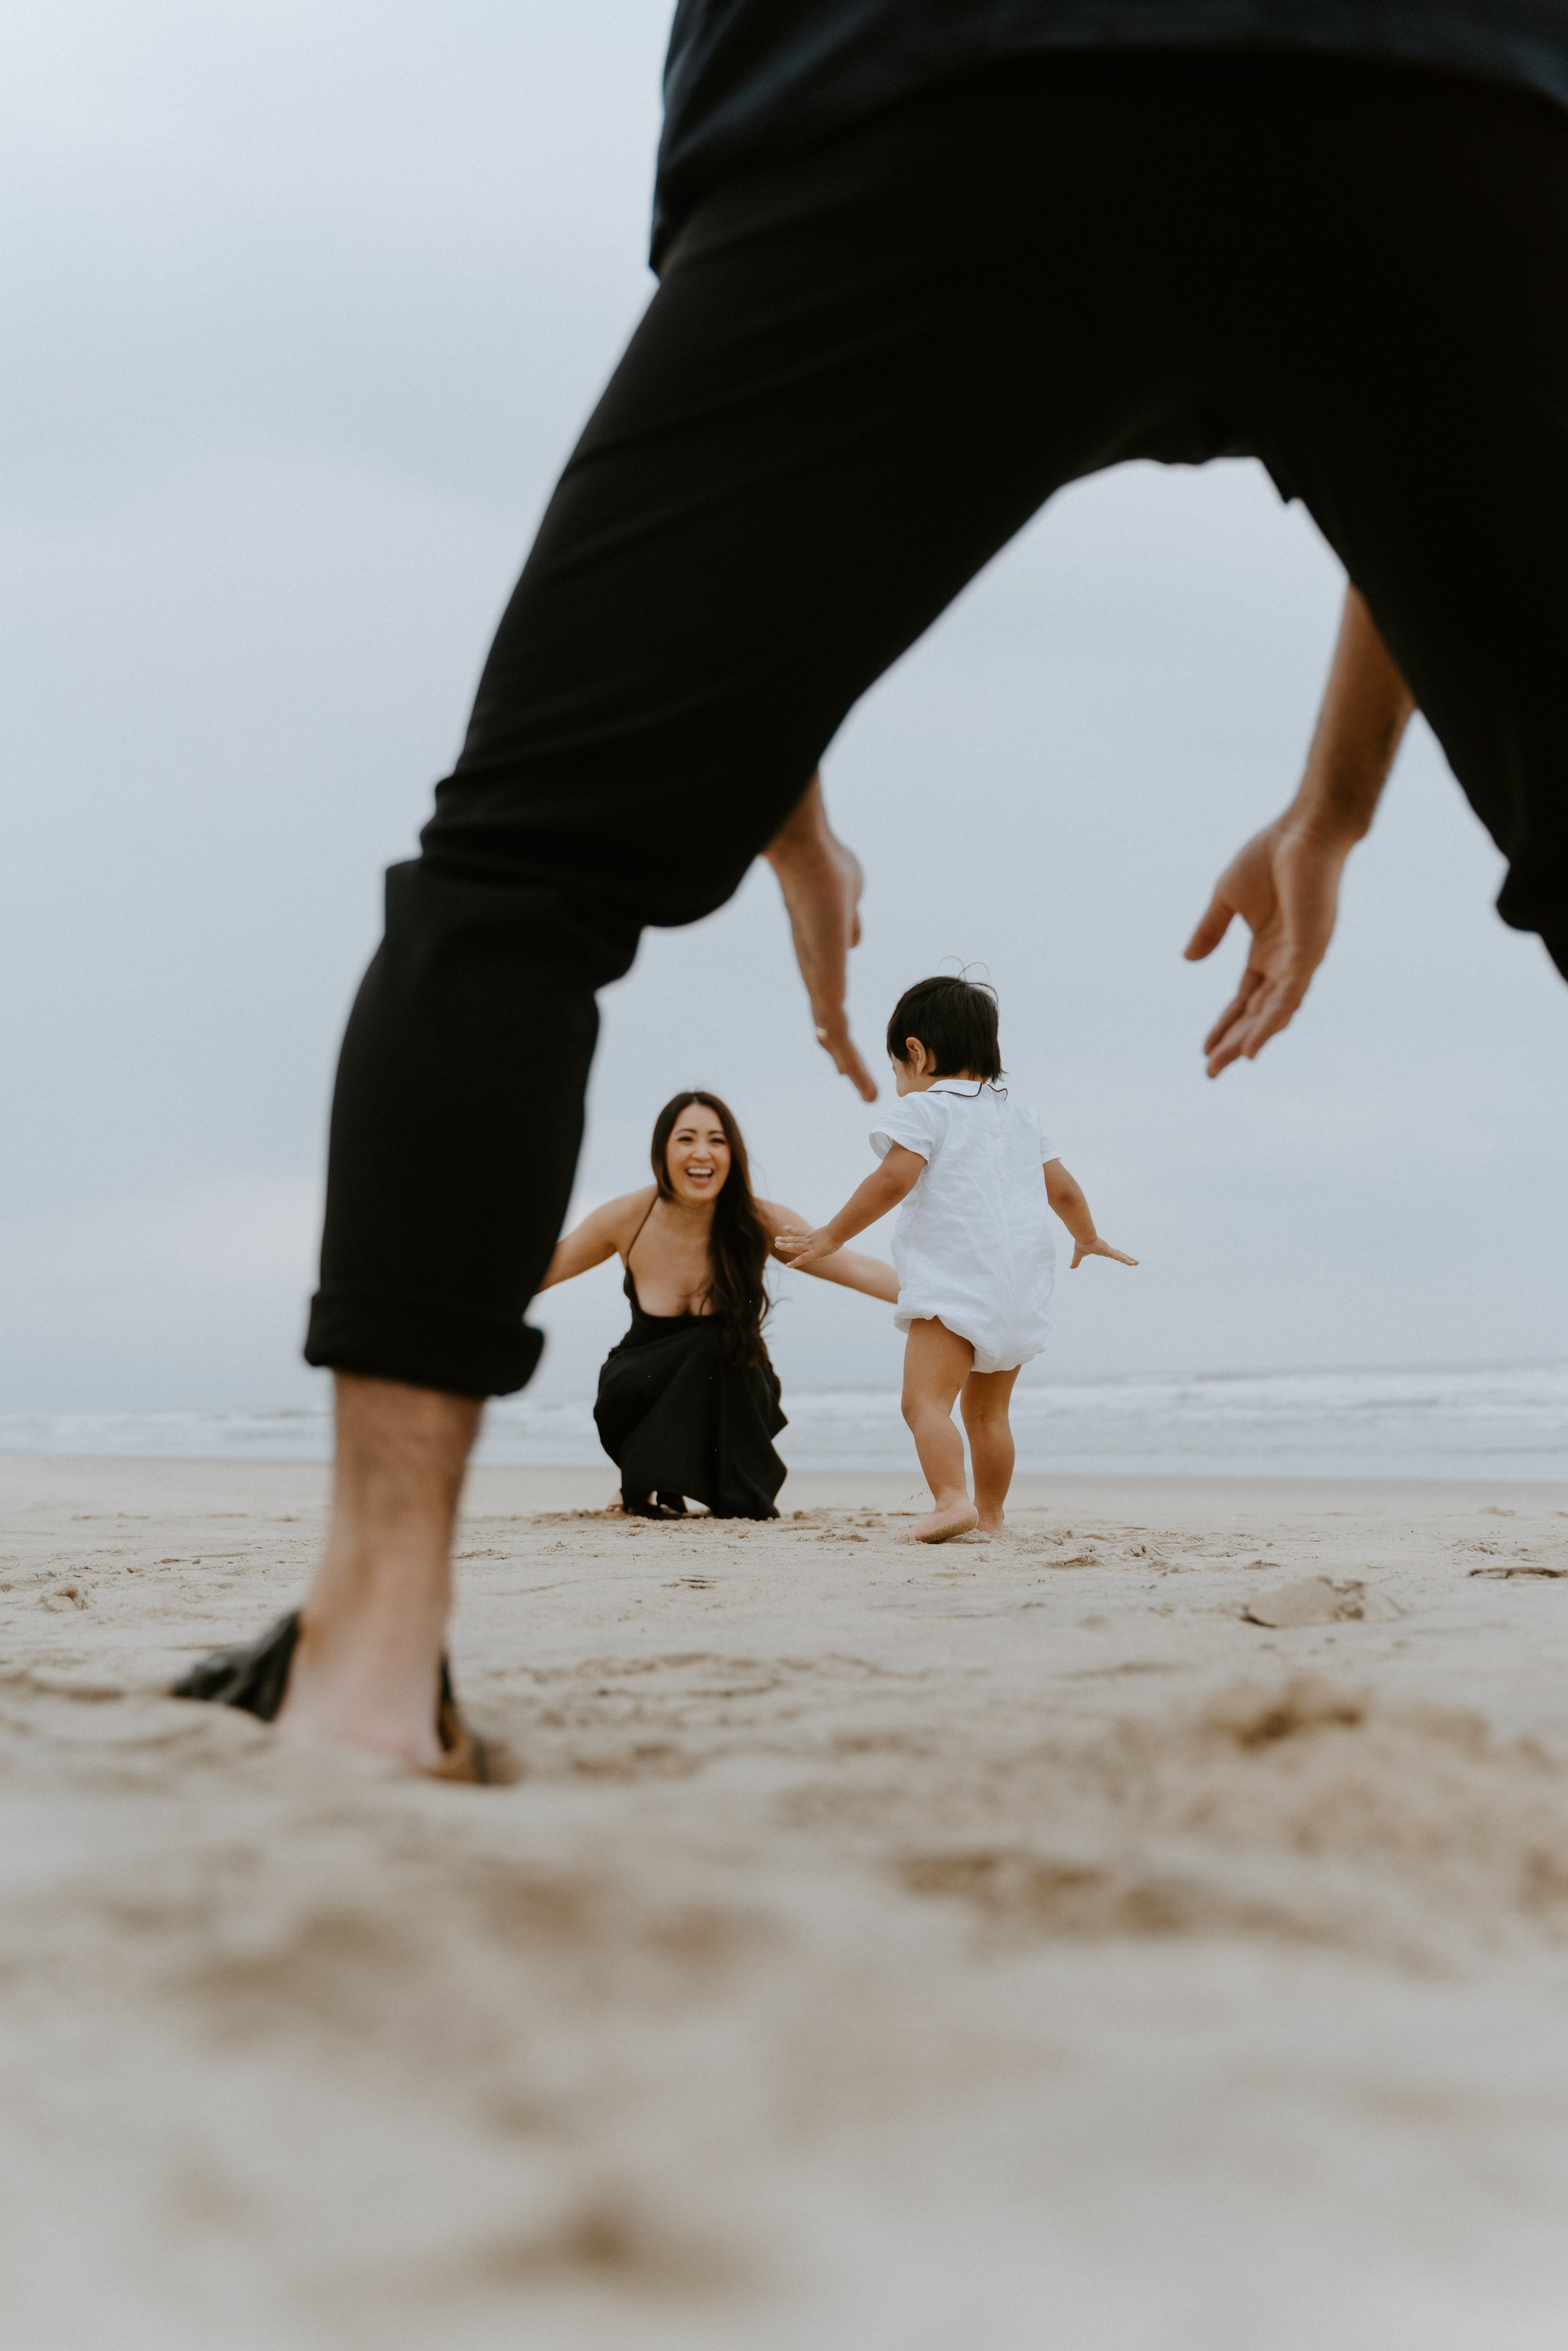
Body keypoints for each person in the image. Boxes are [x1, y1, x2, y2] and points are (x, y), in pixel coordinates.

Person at [179, 7, 1568, 1773]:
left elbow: (765, 564)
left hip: (923, 76)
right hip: (1443, 82)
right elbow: (1423, 458)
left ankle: (369, 1656)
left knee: (519, 880)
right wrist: (1335, 806)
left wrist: (792, 798)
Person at [778, 977, 1136, 1541]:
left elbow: (893, 1181)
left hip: (953, 1290)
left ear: (916, 1054)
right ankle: (991, 1517)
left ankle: (951, 1501)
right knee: (989, 1416)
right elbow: (1063, 1191)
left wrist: (831, 1236)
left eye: (897, 1069)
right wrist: (1087, 1238)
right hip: (1019, 1296)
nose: (901, 1081)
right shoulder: (1023, 1120)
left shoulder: (924, 1111)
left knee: (925, 1404)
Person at [538, 1089, 897, 1519]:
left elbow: (855, 1269)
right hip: (641, 1392)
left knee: (716, 1348)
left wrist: (949, 1301)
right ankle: (643, 1479)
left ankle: (722, 1485)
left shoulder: (759, 1220)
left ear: (733, 1153)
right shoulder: (626, 1217)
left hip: (736, 1392)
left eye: (717, 1140)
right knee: (666, 1363)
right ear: (663, 1150)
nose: (702, 1153)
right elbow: (541, 1270)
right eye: (686, 1139)